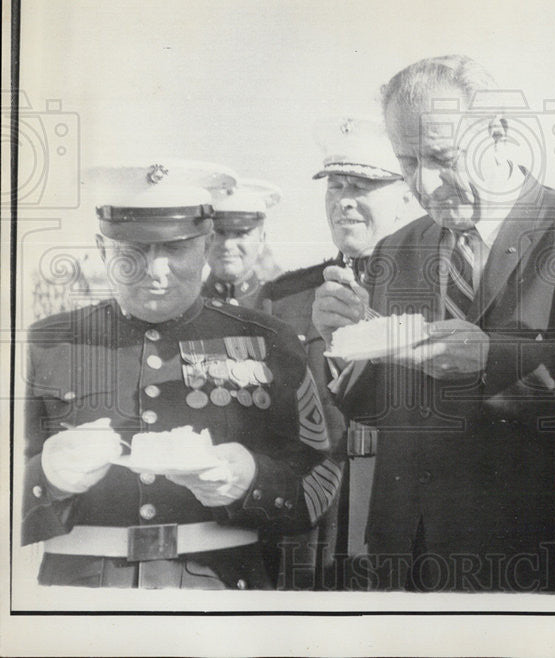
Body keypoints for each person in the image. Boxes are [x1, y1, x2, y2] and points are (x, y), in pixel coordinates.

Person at [313, 56, 555, 593]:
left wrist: (493, 361)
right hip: (411, 560)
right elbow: (374, 408)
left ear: (498, 134)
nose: (425, 184)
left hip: (544, 558)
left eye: (441, 157)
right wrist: (347, 341)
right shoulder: (396, 249)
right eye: (407, 162)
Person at [21, 160, 341, 589]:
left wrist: (250, 478)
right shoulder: (43, 344)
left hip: (221, 592)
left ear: (206, 244)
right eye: (132, 251)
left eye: (176, 249)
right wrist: (46, 477)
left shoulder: (268, 340)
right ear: (102, 249)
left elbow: (319, 482)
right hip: (83, 597)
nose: (156, 272)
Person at [260, 117, 421, 589]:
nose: (344, 200)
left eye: (364, 185)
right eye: (335, 185)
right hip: (315, 529)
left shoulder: (445, 291)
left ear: (408, 195)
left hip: (409, 522)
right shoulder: (283, 300)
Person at [203, 178, 282, 309]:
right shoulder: (182, 305)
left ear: (261, 240)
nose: (228, 245)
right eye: (219, 232)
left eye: (240, 234)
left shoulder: (284, 306)